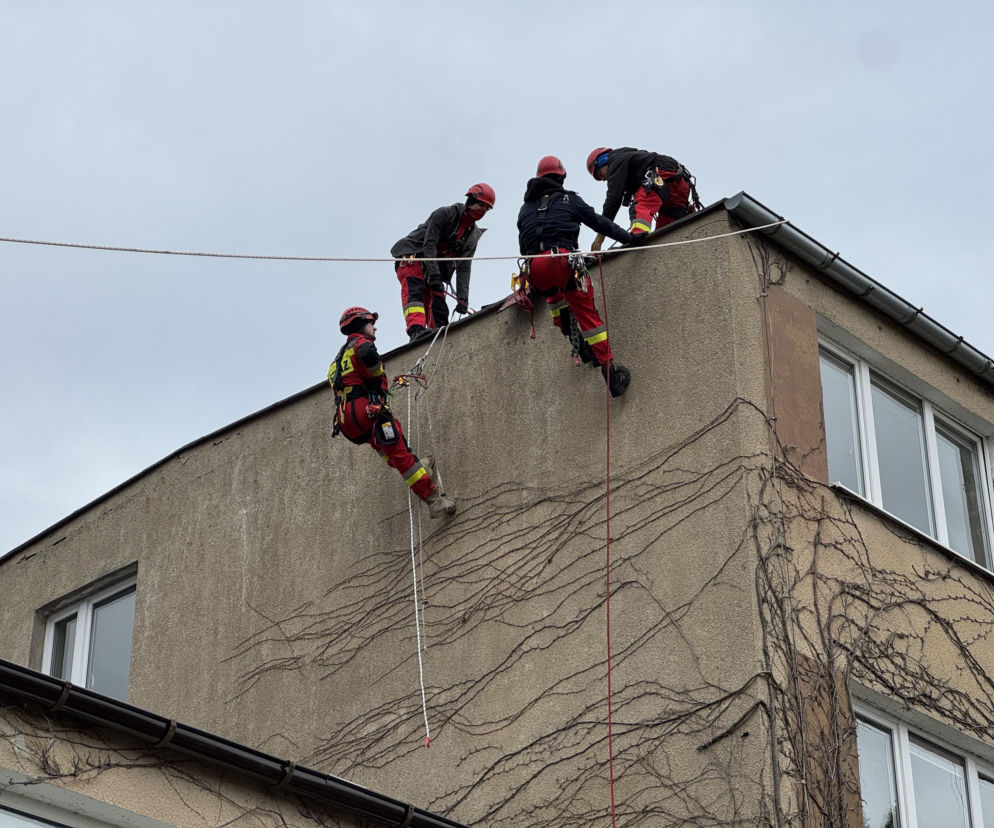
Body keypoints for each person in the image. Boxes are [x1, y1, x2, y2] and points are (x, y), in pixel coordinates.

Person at [517, 155, 636, 397]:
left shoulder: (525, 208)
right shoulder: (568, 199)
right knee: (588, 315)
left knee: (557, 302)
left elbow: (523, 244)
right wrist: (629, 239)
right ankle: (611, 373)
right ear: (561, 177)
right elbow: (598, 222)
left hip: (534, 272)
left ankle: (580, 346)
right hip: (562, 263)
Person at [329, 306, 456, 518]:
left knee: (385, 446)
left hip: (347, 422)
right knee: (399, 454)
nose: (375, 327)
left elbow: (337, 384)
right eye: (371, 323)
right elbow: (368, 356)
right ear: (360, 324)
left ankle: (418, 464)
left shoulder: (338, 359)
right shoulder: (361, 344)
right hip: (366, 412)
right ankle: (433, 501)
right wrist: (377, 377)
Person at [391, 183, 495, 342]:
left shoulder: (471, 236)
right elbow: (429, 245)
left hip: (433, 267)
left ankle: (438, 334)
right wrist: (434, 276)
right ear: (470, 200)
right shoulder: (445, 214)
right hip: (412, 257)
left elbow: (464, 268)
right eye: (480, 205)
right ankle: (416, 330)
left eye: (486, 209)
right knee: (416, 292)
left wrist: (463, 299)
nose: (482, 210)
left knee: (438, 300)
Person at [585, 147, 699, 251]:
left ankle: (637, 236)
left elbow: (613, 199)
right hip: (679, 182)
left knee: (640, 206)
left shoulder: (615, 161)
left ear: (602, 161)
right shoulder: (630, 159)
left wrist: (600, 236)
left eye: (600, 174)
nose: (604, 179)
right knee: (664, 232)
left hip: (661, 176)